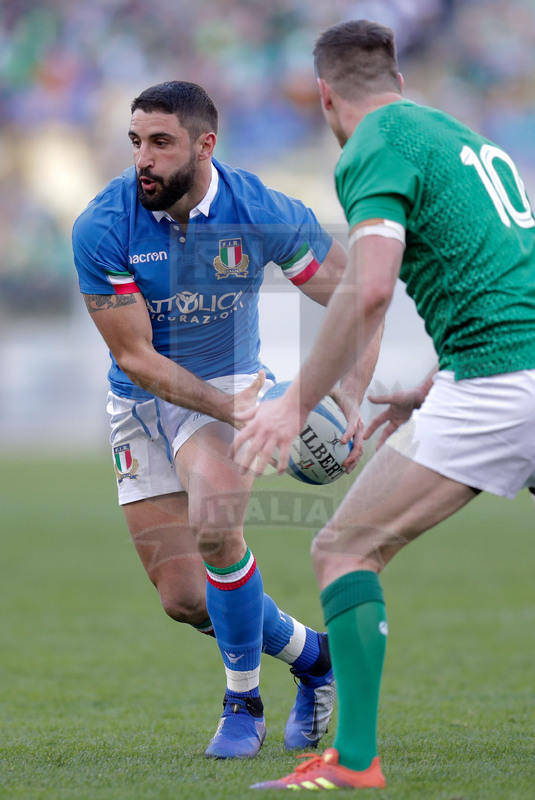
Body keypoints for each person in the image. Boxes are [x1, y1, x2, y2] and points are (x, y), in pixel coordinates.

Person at [234, 19, 535, 790]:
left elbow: (366, 288)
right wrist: (437, 379)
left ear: (324, 97)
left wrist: (292, 402)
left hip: (503, 382)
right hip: (499, 369)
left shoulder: (370, 146)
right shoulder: (458, 136)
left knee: (341, 550)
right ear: (397, 81)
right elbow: (507, 271)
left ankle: (354, 761)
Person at [72, 80, 375, 760]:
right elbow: (136, 357)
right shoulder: (102, 223)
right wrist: (241, 413)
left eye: (160, 143)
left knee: (216, 521)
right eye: (135, 142)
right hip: (142, 400)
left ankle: (242, 703)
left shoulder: (257, 210)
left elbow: (358, 297)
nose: (142, 159)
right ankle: (313, 656)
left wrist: (348, 395)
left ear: (204, 144)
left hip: (226, 381)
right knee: (183, 598)